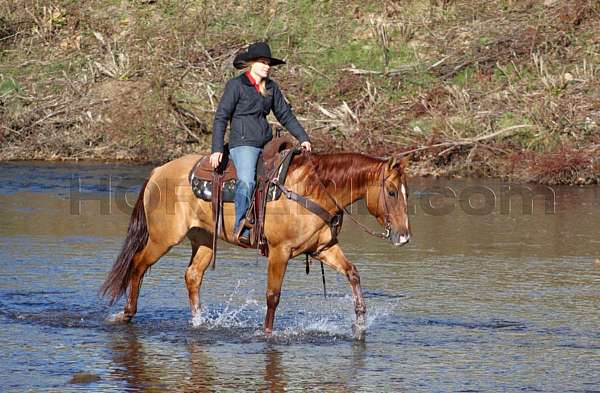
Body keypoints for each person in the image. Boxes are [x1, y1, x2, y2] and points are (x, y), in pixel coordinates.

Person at [210, 42, 312, 244]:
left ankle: (275, 224)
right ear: (251, 64)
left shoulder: (271, 88)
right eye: (262, 62)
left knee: (284, 177)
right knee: (247, 180)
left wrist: (303, 137)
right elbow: (221, 117)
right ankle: (241, 226)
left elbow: (285, 115)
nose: (266, 66)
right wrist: (216, 149)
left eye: (268, 63)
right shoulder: (236, 85)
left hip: (266, 142)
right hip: (243, 142)